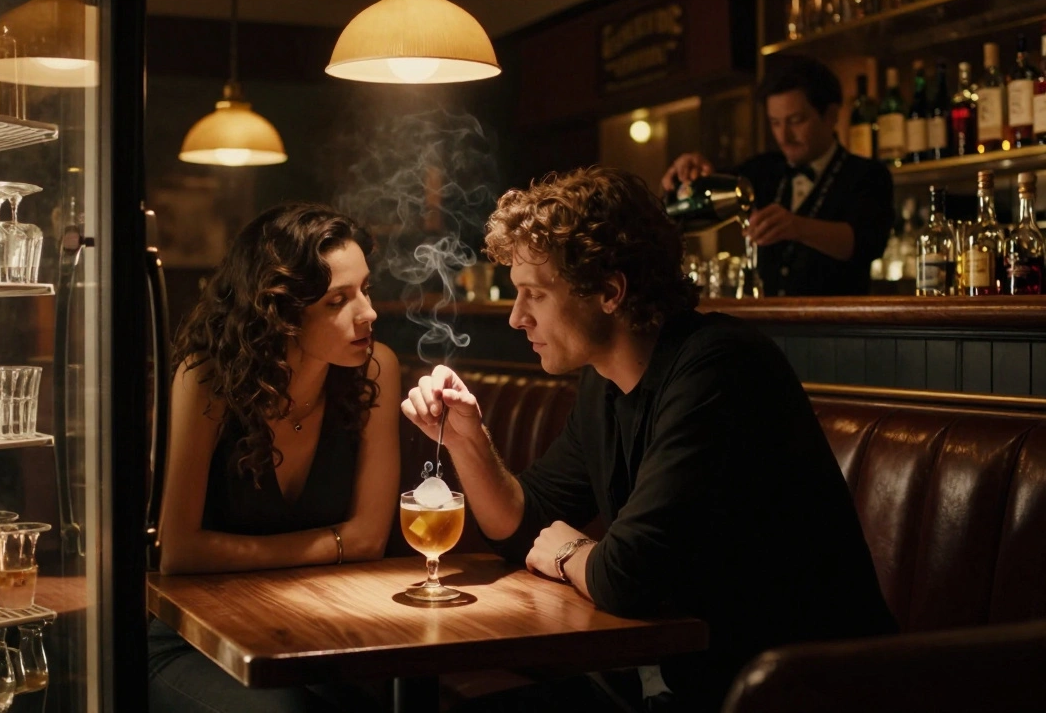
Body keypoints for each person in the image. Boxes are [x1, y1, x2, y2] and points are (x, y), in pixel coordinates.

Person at [401, 168, 897, 712]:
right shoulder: (605, 383)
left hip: (795, 688)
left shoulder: (720, 368)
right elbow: (522, 526)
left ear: (610, 291)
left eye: (534, 294)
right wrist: (467, 438)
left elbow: (625, 577)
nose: (518, 317)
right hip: (687, 679)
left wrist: (569, 550)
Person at [149, 202, 401, 713]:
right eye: (338, 301)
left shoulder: (376, 370)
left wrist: (238, 553)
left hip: (316, 633)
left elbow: (370, 538)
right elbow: (178, 552)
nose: (368, 313)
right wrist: (334, 542)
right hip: (194, 639)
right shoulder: (206, 379)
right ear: (281, 312)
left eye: (365, 290)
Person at [661, 55, 894, 296]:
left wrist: (798, 227)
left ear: (831, 115)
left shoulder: (868, 174)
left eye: (796, 121)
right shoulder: (763, 169)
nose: (784, 136)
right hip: (769, 323)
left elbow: (866, 243)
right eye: (775, 123)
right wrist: (691, 170)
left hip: (839, 327)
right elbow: (705, 192)